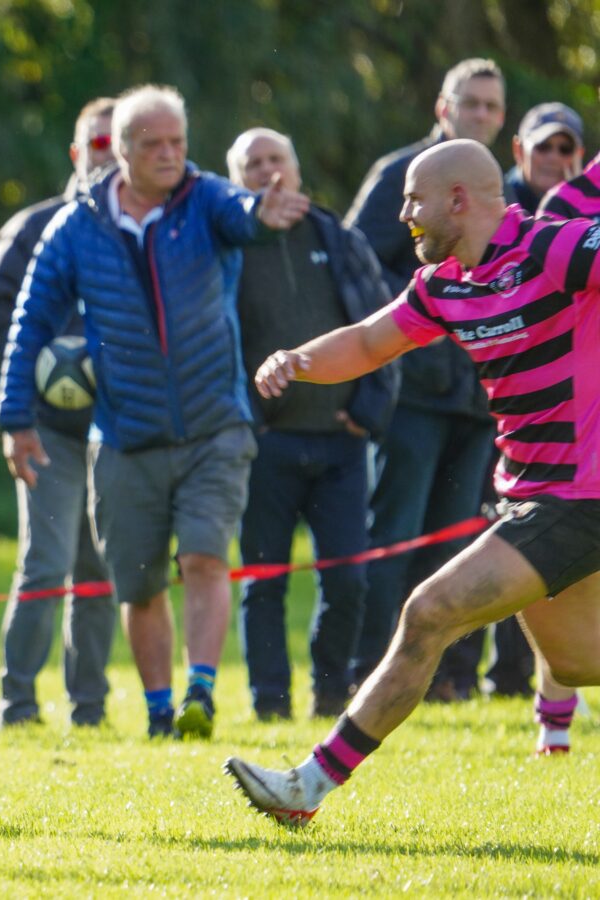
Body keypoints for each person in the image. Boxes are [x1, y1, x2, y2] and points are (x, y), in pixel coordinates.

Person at [228, 140, 600, 826]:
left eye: (414, 200)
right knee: (578, 664)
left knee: (429, 612)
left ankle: (306, 788)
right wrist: (295, 360)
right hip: (530, 489)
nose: (405, 216)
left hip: (580, 495)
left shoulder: (557, 249)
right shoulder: (445, 283)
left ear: (459, 199)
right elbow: (371, 342)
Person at [0, 85, 310, 740]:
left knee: (203, 556)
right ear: (122, 151)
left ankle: (201, 689)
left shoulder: (207, 201)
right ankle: (162, 708)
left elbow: (243, 215)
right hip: (125, 437)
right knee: (137, 587)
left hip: (215, 426)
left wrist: (264, 210)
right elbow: (29, 322)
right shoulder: (78, 227)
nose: (170, 156)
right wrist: (14, 416)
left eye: (179, 143)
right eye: (155, 145)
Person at [344, 58, 503, 700]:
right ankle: (367, 673)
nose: (483, 116)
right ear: (444, 108)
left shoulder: (495, 191)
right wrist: (420, 309)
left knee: (457, 547)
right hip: (411, 395)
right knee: (396, 539)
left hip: (478, 401)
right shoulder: (401, 178)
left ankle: (444, 681)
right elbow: (355, 259)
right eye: (472, 104)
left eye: (494, 107)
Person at [226, 128, 397, 721]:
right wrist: (248, 424)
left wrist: (368, 415)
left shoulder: (337, 237)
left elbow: (382, 329)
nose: (269, 172)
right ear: (236, 179)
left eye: (278, 159)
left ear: (297, 169)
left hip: (341, 445)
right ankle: (269, 704)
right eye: (254, 164)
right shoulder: (227, 247)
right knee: (262, 582)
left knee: (348, 580)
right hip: (264, 445)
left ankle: (331, 696)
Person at [0, 97, 116, 730]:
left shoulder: (145, 230)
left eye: (120, 146)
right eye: (99, 145)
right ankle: (19, 705)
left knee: (102, 569)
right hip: (47, 432)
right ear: (76, 151)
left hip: (121, 433)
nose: (108, 158)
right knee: (47, 562)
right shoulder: (34, 226)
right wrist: (50, 362)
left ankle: (89, 708)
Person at [504, 102, 584, 211]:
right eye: (543, 146)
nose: (554, 157)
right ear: (519, 150)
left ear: (579, 156)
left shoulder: (594, 212)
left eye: (565, 149)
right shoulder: (497, 203)